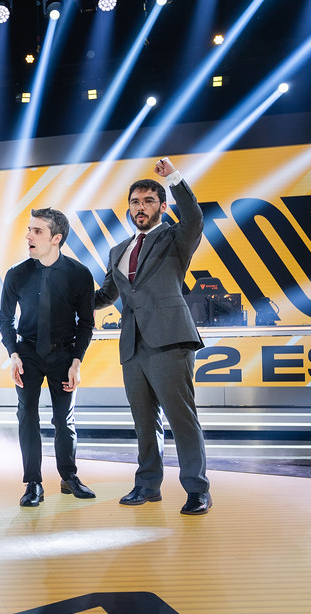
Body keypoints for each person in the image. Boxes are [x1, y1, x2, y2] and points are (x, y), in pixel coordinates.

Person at [94, 157, 212, 515]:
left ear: (162, 207)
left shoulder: (175, 238)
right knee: (144, 422)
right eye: (135, 202)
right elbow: (106, 296)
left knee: (181, 418)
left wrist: (174, 177)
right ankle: (147, 485)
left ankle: (197, 489)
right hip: (132, 345)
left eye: (148, 201)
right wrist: (66, 295)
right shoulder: (118, 250)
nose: (140, 207)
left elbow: (194, 217)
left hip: (170, 339)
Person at [0, 208, 96, 507]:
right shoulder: (17, 273)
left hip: (64, 354)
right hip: (27, 352)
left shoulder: (79, 274)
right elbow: (5, 319)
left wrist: (77, 362)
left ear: (56, 238)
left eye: (37, 231)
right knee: (27, 415)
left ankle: (69, 477)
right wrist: (13, 354)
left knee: (64, 419)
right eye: (29, 229)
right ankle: (33, 483)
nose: (29, 235)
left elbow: (86, 323)